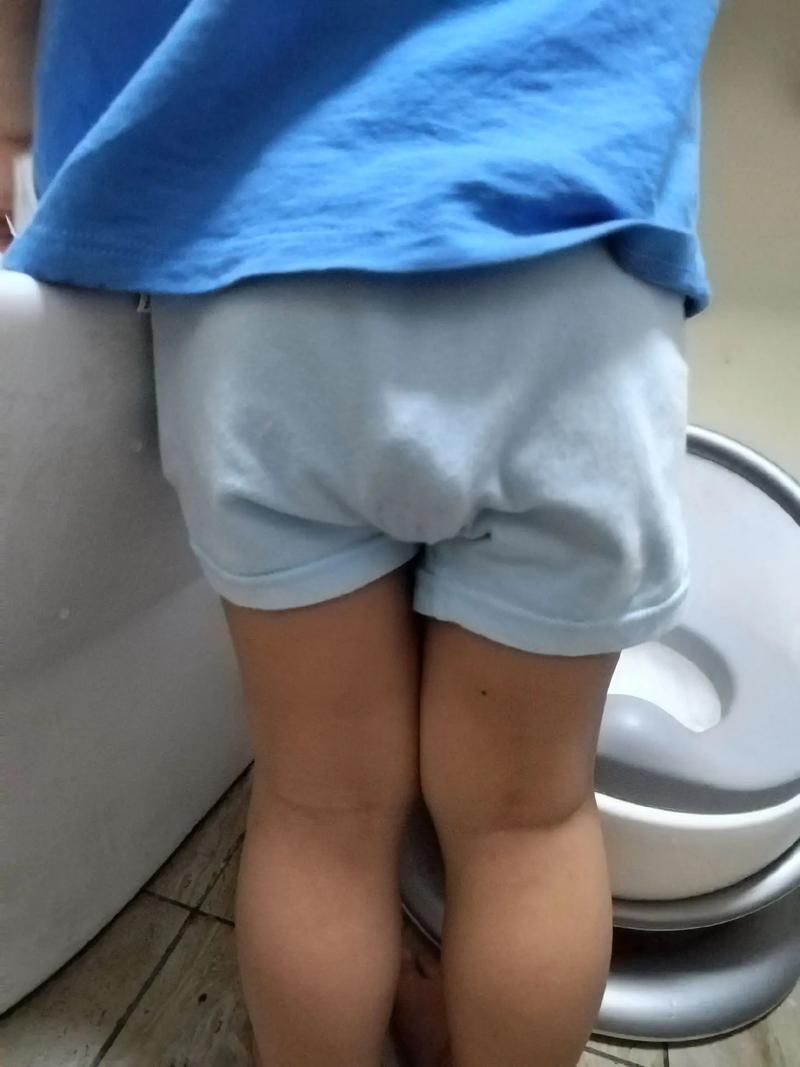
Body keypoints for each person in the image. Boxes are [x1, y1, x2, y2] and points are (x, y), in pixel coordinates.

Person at [1, 2, 719, 1065]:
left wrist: (11, 111)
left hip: (257, 277)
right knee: (524, 821)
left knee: (321, 809)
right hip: (576, 274)